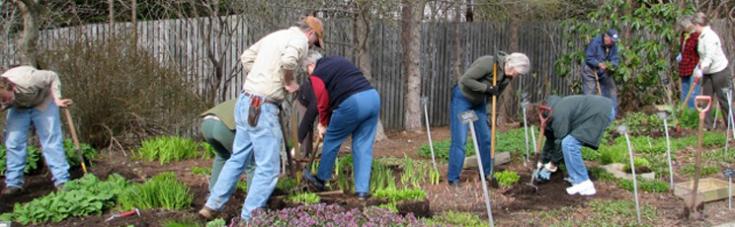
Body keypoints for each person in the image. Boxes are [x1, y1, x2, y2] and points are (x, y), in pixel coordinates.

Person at [199, 16, 324, 224]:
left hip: (245, 100)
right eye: (314, 42)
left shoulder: (275, 36)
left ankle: (212, 205)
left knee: (238, 158)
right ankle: (251, 218)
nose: (311, 46)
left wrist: (261, 77)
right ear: (310, 33)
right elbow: (288, 61)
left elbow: (246, 57)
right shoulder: (300, 40)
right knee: (269, 167)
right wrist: (288, 82)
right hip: (262, 107)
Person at [299, 51, 380, 200]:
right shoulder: (338, 61)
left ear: (310, 65)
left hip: (353, 103)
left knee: (331, 140)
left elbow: (321, 101)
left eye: (307, 71)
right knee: (363, 146)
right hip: (373, 98)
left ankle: (321, 179)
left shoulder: (318, 73)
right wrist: (327, 121)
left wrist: (323, 124)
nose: (309, 75)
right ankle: (362, 191)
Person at [447, 52, 530, 186]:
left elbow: (494, 97)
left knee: (486, 138)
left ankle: (486, 174)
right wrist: (487, 88)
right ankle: (453, 178)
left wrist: (490, 114)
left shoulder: (506, 78)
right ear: (514, 65)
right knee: (460, 140)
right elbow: (466, 80)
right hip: (463, 98)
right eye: (518, 72)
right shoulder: (488, 63)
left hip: (479, 103)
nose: (517, 75)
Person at [0, 65, 72, 196]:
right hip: (19, 107)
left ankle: (62, 181)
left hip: (43, 101)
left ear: (10, 88)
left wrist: (57, 99)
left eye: (4, 98)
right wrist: (6, 103)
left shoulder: (28, 80)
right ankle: (14, 183)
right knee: (13, 142)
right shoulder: (5, 96)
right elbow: (5, 104)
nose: (3, 102)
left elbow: (52, 76)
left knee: (51, 139)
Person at [531, 95, 615, 196]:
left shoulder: (558, 115)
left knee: (569, 144)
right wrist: (542, 161)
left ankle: (584, 184)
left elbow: (559, 141)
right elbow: (551, 140)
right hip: (599, 108)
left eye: (537, 123)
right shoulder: (550, 110)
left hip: (600, 112)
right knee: (568, 142)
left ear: (540, 117)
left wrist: (552, 165)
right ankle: (577, 178)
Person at [199, 100, 254, 192]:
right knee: (251, 163)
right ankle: (254, 203)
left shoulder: (244, 98)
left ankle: (214, 195)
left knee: (222, 156)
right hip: (223, 127)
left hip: (207, 124)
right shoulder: (262, 104)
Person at [691, 12, 731, 128]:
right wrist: (698, 67)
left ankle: (731, 125)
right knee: (706, 99)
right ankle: (706, 125)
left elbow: (709, 56)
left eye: (694, 26)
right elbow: (703, 56)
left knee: (723, 98)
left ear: (698, 24)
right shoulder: (702, 36)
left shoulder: (710, 36)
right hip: (708, 73)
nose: (694, 28)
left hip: (720, 72)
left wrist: (701, 69)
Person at [582, 29, 620, 111]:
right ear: (606, 37)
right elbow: (589, 58)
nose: (612, 43)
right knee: (589, 95)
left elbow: (615, 59)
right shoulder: (595, 43)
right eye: (611, 40)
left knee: (611, 91)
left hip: (603, 71)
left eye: (614, 41)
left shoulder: (613, 45)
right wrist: (598, 64)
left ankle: (610, 114)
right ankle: (588, 114)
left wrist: (611, 65)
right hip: (590, 70)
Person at [676, 16, 701, 109]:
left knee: (693, 92)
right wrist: (680, 55)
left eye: (686, 26)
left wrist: (699, 67)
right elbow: (682, 49)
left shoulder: (697, 36)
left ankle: (692, 113)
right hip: (684, 66)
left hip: (694, 67)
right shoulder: (684, 35)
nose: (685, 28)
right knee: (684, 91)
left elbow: (700, 52)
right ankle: (684, 112)